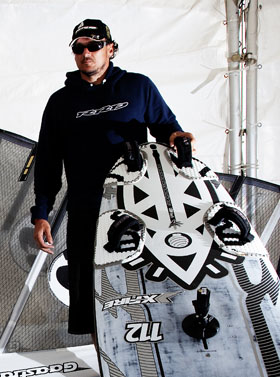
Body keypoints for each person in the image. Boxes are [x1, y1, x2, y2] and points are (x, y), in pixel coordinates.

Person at [31, 18, 194, 337]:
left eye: (94, 45)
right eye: (79, 48)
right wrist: (41, 214)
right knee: (93, 305)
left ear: (111, 49)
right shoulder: (60, 102)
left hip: (138, 209)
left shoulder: (138, 86)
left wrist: (177, 137)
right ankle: (106, 365)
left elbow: (166, 128)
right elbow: (48, 162)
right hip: (87, 213)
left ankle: (150, 359)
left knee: (146, 292)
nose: (86, 53)